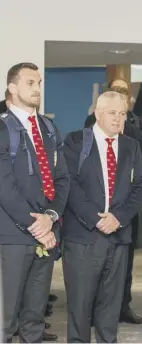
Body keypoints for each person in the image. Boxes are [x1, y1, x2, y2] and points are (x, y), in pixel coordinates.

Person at [62, 91, 142, 342]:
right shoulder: (76, 141)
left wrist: (118, 218)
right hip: (83, 237)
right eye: (112, 113)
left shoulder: (131, 146)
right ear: (97, 114)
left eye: (122, 113)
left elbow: (140, 187)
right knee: (80, 306)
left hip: (118, 238)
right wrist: (96, 218)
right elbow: (69, 184)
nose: (118, 118)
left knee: (110, 305)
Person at [0, 62, 70, 342]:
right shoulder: (4, 128)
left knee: (34, 315)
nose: (37, 88)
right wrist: (34, 223)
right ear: (12, 88)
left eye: (39, 82)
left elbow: (62, 178)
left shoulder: (48, 128)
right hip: (13, 235)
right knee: (6, 315)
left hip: (46, 233)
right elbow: (4, 186)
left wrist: (50, 217)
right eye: (30, 83)